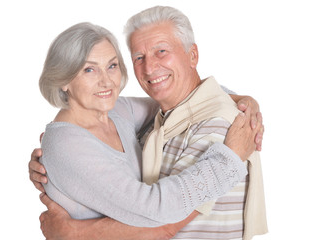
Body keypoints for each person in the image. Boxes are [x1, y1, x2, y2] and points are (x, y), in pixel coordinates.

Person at [30, 8, 265, 240]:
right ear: (63, 80)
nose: (106, 81)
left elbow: (175, 98)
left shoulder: (115, 112)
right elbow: (159, 218)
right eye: (89, 69)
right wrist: (231, 158)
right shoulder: (68, 145)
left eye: (112, 65)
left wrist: (240, 100)